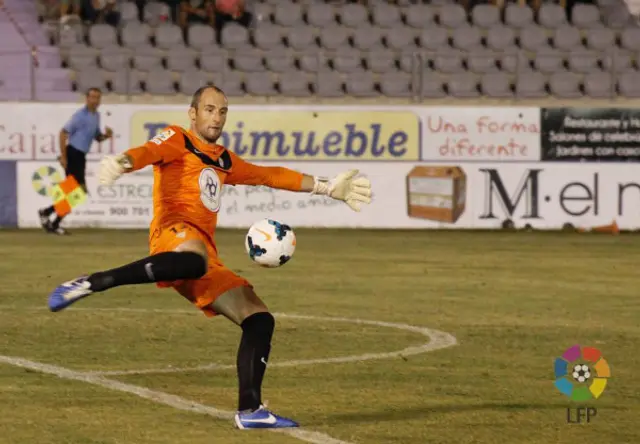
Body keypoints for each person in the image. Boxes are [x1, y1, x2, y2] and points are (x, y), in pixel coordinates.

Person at [47, 85, 372, 430]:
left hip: (202, 256)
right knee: (195, 259)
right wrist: (123, 162)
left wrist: (325, 187)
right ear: (193, 113)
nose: (216, 117)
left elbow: (269, 175)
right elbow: (145, 151)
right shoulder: (178, 138)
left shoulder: (224, 160)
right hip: (173, 235)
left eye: (222, 111)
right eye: (209, 109)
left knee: (259, 319)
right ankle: (94, 282)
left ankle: (250, 411)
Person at [39, 87, 113, 235]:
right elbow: (63, 133)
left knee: (73, 192)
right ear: (87, 98)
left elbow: (97, 137)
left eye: (98, 97)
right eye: (92, 97)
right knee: (77, 191)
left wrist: (106, 136)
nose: (95, 100)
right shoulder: (80, 116)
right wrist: (64, 157)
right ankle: (51, 218)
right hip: (73, 153)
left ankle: (49, 216)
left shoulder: (96, 116)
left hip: (80, 157)